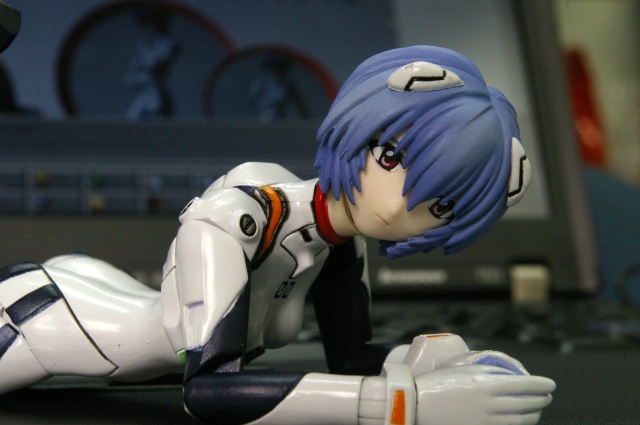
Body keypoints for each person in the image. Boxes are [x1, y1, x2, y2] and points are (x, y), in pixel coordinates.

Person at [0, 46, 552, 425]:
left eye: (439, 205)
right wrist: (409, 406)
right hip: (36, 319)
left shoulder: (341, 243)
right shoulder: (236, 218)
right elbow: (209, 392)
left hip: (121, 343)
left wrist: (434, 361)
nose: (396, 205)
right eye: (391, 156)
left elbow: (352, 359)